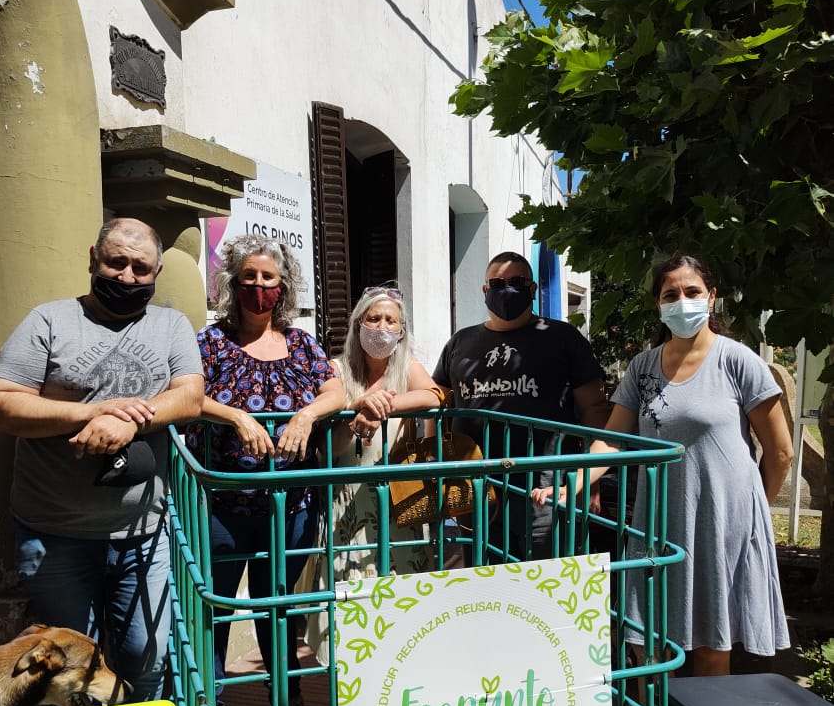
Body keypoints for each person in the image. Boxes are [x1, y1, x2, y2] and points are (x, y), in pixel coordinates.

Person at [0, 217, 204, 701]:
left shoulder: (170, 326)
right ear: (93, 258)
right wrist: (91, 412)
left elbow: (189, 397)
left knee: (147, 658)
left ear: (157, 271)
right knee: (68, 675)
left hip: (142, 534)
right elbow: (1, 405)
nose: (127, 276)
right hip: (53, 536)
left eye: (140, 268)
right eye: (115, 262)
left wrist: (129, 421)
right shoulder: (48, 321)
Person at [541, 253, 792, 676]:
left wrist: (753, 512)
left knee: (711, 643)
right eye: (670, 294)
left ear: (711, 298)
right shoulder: (643, 368)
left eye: (692, 292)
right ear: (658, 304)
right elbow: (612, 439)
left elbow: (781, 452)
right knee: (649, 639)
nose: (682, 301)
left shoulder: (738, 361)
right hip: (657, 520)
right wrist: (573, 485)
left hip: (720, 523)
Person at [195, 234, 346, 706]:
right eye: (249, 277)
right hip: (225, 505)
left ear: (283, 287)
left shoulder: (301, 344)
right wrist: (236, 417)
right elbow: (189, 396)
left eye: (268, 278)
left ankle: (286, 698)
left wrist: (306, 416)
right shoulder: (211, 343)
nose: (259, 286)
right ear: (232, 282)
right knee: (217, 607)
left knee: (278, 604)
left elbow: (336, 393)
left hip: (291, 505)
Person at [432, 250, 609, 557]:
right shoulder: (460, 342)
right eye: (497, 283)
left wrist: (590, 480)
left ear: (533, 289)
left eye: (517, 282)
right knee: (483, 575)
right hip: (477, 488)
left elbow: (595, 408)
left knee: (547, 575)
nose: (507, 289)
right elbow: (437, 400)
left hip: (546, 489)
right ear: (485, 290)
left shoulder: (562, 338)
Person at [306, 285, 441, 663]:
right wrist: (356, 409)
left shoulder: (407, 367)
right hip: (346, 503)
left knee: (401, 601)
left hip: (397, 502)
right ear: (357, 324)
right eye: (374, 318)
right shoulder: (336, 371)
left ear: (401, 330)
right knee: (347, 598)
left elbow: (433, 396)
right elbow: (327, 444)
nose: (382, 327)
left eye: (390, 321)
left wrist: (382, 406)